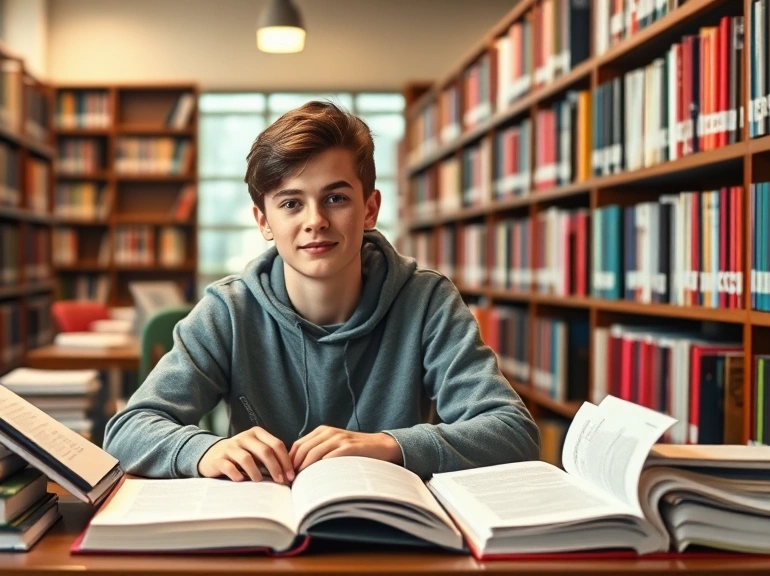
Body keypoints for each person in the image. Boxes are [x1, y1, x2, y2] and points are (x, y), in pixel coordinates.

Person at [104, 101, 539, 485]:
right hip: (264, 531)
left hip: (393, 530)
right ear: (263, 222)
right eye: (291, 203)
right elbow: (128, 430)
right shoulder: (229, 310)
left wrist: (389, 446)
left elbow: (513, 431)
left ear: (369, 209)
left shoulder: (426, 301)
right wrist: (204, 450)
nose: (315, 220)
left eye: (335, 198)